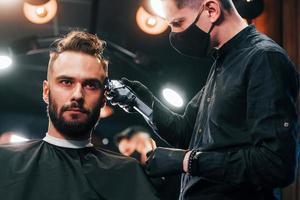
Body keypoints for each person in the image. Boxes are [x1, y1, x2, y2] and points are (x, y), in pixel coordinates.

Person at [110, 0, 300, 199]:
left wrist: (188, 161)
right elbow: (185, 132)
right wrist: (141, 102)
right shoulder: (223, 63)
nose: (174, 35)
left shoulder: (264, 59)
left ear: (211, 10)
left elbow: (276, 164)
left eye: (177, 23)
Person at [0, 31, 158, 200]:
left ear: (104, 98)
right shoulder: (5, 162)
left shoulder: (128, 175)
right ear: (46, 91)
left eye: (90, 85)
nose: (78, 95)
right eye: (66, 82)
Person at [114, 126, 181, 200]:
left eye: (127, 150)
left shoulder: (161, 147)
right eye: (125, 153)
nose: (127, 155)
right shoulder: (140, 167)